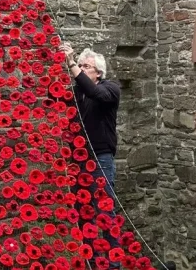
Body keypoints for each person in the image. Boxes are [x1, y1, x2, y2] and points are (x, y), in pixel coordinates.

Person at [59, 43, 121, 265]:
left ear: (99, 73)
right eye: (81, 65)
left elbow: (94, 92)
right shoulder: (77, 92)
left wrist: (72, 63)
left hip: (101, 158)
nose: (81, 69)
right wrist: (58, 62)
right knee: (84, 211)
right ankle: (93, 263)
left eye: (87, 66)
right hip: (79, 159)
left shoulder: (110, 89)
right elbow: (54, 96)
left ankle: (113, 264)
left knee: (105, 210)